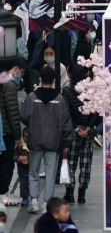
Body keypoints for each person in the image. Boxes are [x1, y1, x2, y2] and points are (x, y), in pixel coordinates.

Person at [21, 66, 73, 214]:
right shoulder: (59, 99)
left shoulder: (32, 97)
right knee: (50, 174)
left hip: (35, 139)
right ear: (54, 80)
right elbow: (66, 123)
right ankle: (46, 205)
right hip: (53, 141)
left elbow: (24, 116)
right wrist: (67, 142)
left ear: (40, 79)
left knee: (33, 171)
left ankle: (34, 201)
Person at [62, 64, 99, 205]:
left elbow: (67, 113)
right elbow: (95, 112)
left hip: (73, 132)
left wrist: (76, 129)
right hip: (88, 132)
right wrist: (88, 128)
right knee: (86, 163)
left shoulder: (67, 91)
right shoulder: (92, 91)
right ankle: (82, 193)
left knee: (71, 163)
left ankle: (69, 192)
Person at [0, 57, 26, 206]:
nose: (20, 75)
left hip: (1, 129)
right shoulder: (10, 84)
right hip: (6, 131)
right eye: (20, 72)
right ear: (15, 69)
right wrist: (17, 135)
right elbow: (13, 112)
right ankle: (3, 194)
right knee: (7, 164)